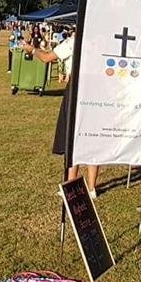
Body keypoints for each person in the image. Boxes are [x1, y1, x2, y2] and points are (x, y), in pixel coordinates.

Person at [38, 23, 100, 198]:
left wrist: (32, 49)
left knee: (72, 135)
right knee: (93, 135)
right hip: (97, 89)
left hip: (77, 88)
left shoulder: (74, 41)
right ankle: (91, 187)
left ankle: (71, 183)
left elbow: (46, 58)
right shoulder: (101, 41)